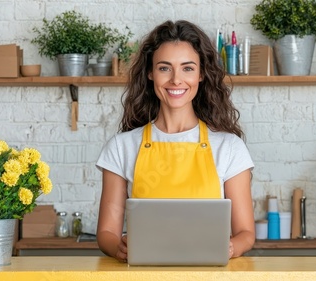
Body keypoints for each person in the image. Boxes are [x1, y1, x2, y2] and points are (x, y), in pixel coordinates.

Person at [96, 20, 255, 263]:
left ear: (201, 74)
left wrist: (231, 247)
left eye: (188, 68)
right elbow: (107, 233)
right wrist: (120, 247)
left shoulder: (229, 147)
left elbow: (246, 233)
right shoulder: (122, 147)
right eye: (164, 68)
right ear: (150, 73)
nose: (176, 80)